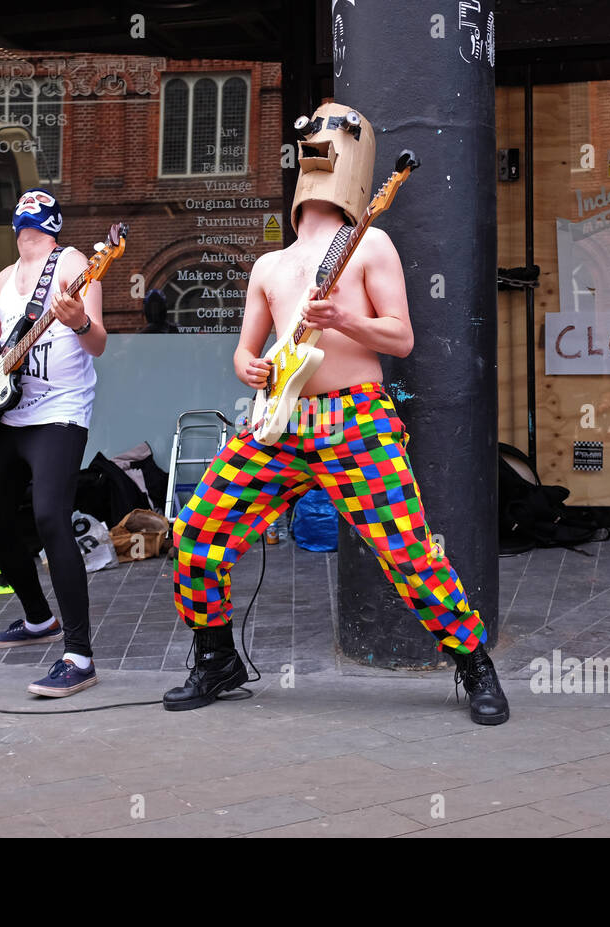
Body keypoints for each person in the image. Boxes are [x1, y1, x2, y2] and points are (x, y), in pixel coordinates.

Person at [164, 103, 509, 726]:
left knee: (408, 554)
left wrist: (344, 320)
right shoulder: (269, 266)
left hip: (356, 417)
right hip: (279, 421)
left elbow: (400, 339)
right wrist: (248, 366)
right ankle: (216, 659)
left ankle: (474, 664)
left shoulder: (370, 240)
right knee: (196, 535)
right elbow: (246, 348)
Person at [0, 188, 106, 697]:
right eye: (22, 228)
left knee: (49, 517)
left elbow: (98, 341)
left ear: (52, 227)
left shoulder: (74, 264)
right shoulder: (4, 278)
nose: (28, 236)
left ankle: (80, 655)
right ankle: (39, 618)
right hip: (9, 413)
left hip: (60, 415)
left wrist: (78, 321)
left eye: (35, 228)